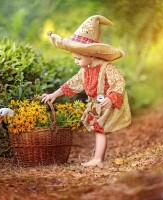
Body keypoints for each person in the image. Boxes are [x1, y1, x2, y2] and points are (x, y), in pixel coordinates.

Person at [41, 15, 131, 168]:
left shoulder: (107, 67)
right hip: (96, 104)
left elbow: (118, 81)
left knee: (100, 130)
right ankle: (98, 156)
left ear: (90, 56)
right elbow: (72, 84)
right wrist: (54, 95)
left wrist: (111, 97)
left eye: (78, 59)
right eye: (74, 59)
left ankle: (98, 159)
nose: (76, 62)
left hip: (107, 102)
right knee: (98, 129)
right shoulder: (85, 70)